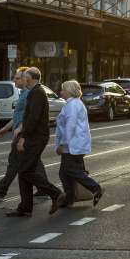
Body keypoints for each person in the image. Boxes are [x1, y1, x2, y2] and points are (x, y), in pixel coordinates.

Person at [7, 67, 62, 217]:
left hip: (35, 138)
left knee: (25, 171)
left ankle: (56, 193)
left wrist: (23, 138)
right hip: (34, 137)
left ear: (29, 79)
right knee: (24, 171)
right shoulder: (34, 92)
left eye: (24, 77)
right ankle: (25, 208)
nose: (21, 79)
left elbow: (33, 119)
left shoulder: (37, 93)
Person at [0, 67, 49, 199]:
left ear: (26, 79)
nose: (14, 80)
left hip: (23, 133)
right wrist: (6, 128)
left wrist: (21, 130)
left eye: (17, 78)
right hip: (21, 131)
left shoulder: (31, 93)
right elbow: (19, 114)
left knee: (17, 163)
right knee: (32, 162)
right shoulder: (23, 93)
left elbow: (30, 115)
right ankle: (43, 190)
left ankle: (2, 190)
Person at [55, 80, 102, 208]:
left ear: (69, 91)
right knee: (66, 172)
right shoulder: (74, 103)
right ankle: (69, 198)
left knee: (70, 170)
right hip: (75, 144)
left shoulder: (72, 105)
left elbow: (70, 126)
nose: (61, 92)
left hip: (72, 145)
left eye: (63, 89)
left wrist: (62, 144)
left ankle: (95, 188)